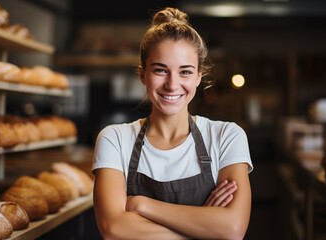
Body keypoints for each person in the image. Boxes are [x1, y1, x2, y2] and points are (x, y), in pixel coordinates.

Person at [92, 7, 253, 240]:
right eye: (160, 70)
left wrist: (141, 205)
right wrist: (203, 228)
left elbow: (233, 229)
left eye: (185, 72)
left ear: (199, 77)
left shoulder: (226, 136)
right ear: (142, 75)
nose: (172, 84)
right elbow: (113, 228)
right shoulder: (114, 139)